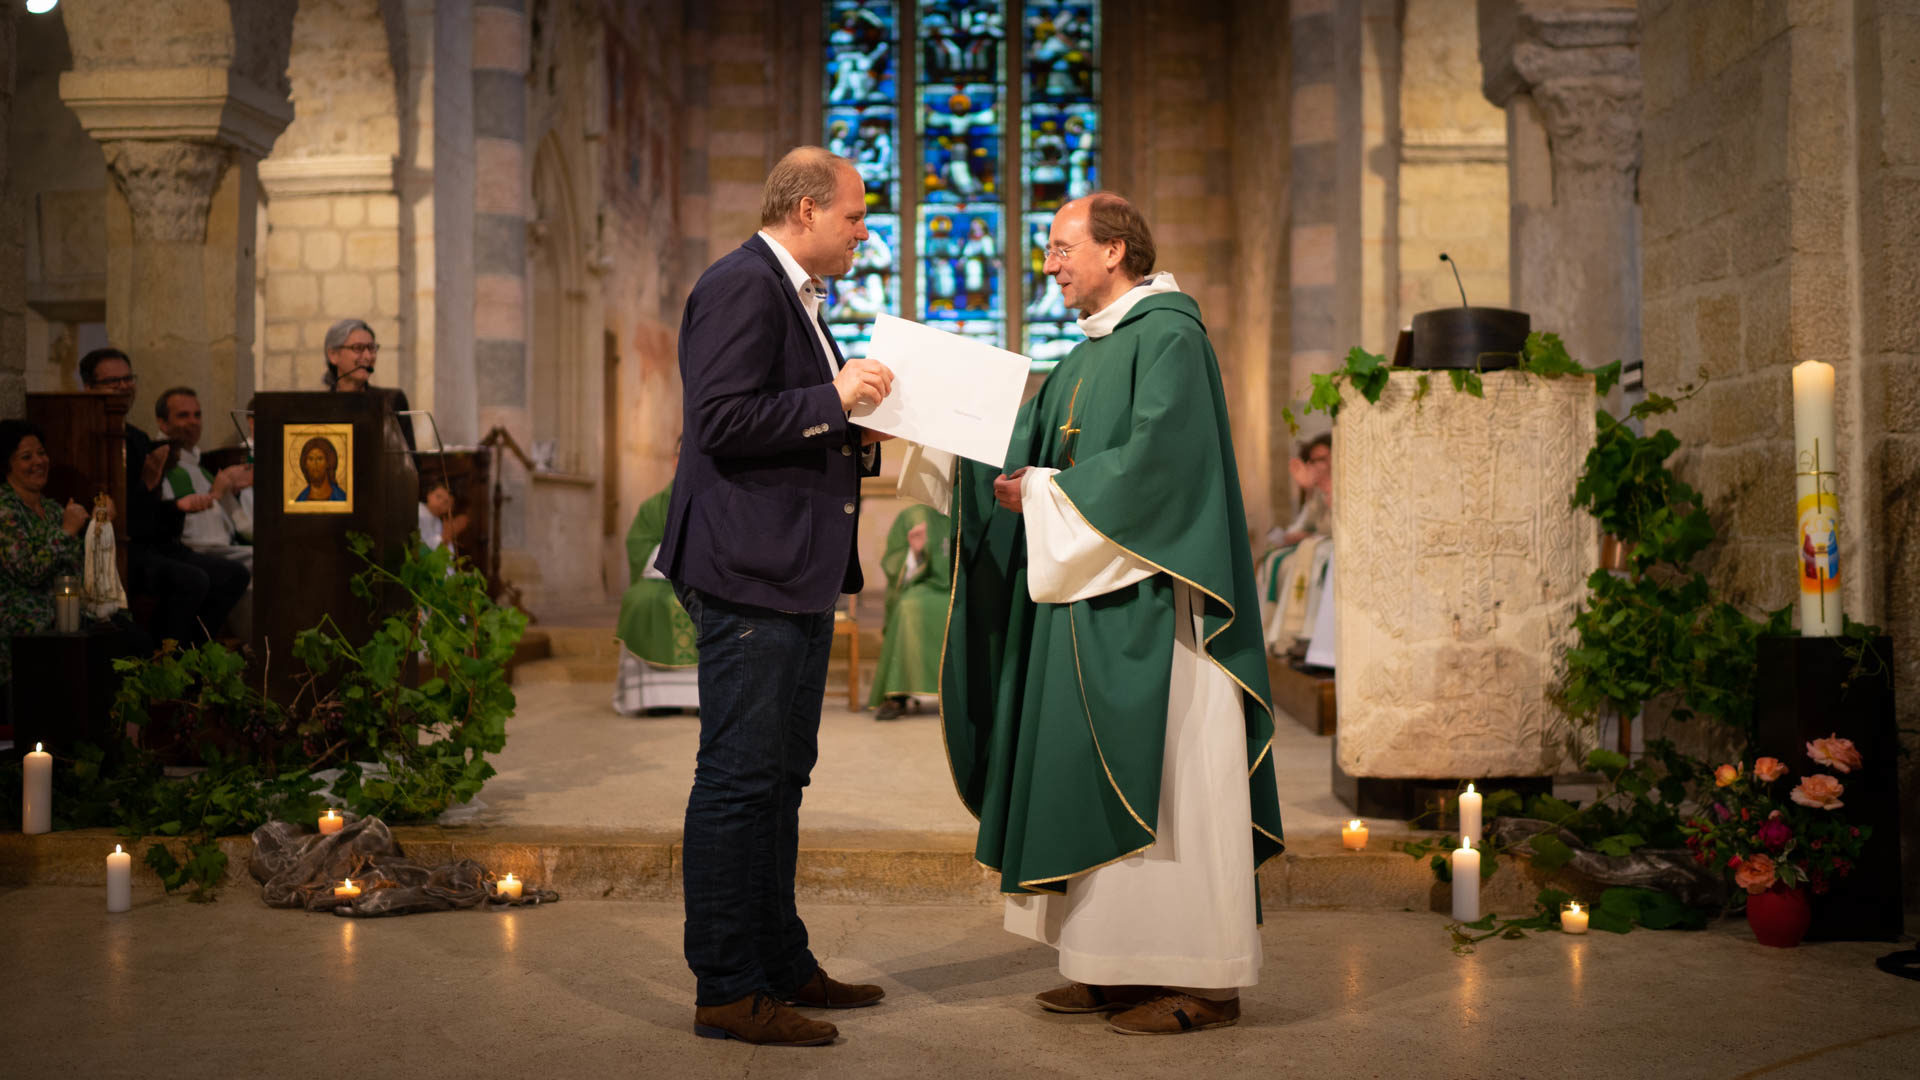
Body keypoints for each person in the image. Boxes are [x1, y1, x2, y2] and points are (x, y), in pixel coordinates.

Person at [898, 192, 1284, 1035]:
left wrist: (1040, 492)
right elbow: (1022, 443)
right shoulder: (1081, 358)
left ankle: (1203, 981)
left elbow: (1160, 469)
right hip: (1084, 604)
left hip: (1157, 615)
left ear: (1116, 251)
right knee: (1089, 778)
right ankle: (1110, 966)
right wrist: (935, 421)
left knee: (1175, 782)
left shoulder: (1172, 338)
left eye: (1063, 246)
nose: (1050, 263)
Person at [653, 146, 896, 1047]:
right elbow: (718, 420)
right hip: (748, 570)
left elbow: (792, 412)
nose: (863, 231)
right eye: (854, 216)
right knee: (738, 780)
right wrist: (833, 397)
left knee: (781, 778)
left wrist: (855, 419)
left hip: (790, 570)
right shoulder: (742, 284)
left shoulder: (798, 296)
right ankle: (727, 983)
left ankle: (781, 961)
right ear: (803, 209)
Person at [81, 348, 250, 645]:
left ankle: (191, 656)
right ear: (89, 388)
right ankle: (164, 660)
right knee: (193, 580)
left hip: (155, 541)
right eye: (113, 381)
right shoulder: (84, 436)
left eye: (127, 379)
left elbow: (153, 515)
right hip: (117, 547)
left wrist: (178, 507)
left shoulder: (136, 438)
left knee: (233, 574)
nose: (123, 386)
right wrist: (160, 490)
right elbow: (126, 516)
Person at [0, 420, 112, 698]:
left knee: (119, 629)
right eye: (27, 457)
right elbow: (28, 570)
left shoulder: (52, 509)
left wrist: (100, 526)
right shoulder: (4, 510)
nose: (39, 462)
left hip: (62, 612)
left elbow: (77, 567)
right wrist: (66, 531)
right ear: (7, 466)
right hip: (21, 617)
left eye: (41, 453)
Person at [613, 480, 698, 716]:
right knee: (641, 601)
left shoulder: (718, 499)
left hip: (704, 584)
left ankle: (709, 700)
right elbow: (639, 546)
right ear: (674, 459)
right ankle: (657, 700)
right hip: (659, 579)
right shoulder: (653, 506)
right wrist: (678, 557)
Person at [867, 504, 951, 720]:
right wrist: (915, 552)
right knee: (908, 607)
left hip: (965, 591)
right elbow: (896, 571)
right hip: (926, 587)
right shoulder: (915, 516)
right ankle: (898, 694)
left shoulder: (974, 512)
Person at [323, 318, 415, 450]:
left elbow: (410, 462)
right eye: (358, 348)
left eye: (371, 348)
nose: (368, 356)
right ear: (333, 355)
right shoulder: (320, 405)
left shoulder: (390, 401)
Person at [294, 437, 348, 502]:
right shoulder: (301, 499)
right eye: (311, 459)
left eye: (320, 458)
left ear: (328, 463)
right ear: (305, 465)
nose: (315, 463)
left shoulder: (341, 498)